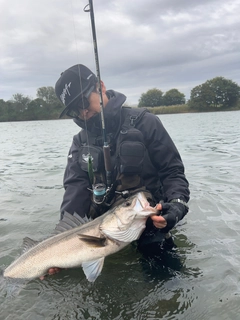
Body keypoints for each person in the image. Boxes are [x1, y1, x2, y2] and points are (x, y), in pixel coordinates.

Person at [52, 63, 189, 272]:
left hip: (150, 217)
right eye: (73, 109)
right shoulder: (79, 142)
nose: (83, 112)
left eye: (82, 101)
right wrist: (62, 245)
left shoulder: (146, 122)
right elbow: (75, 191)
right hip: (106, 226)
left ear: (101, 87)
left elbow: (173, 172)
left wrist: (177, 206)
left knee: (166, 273)